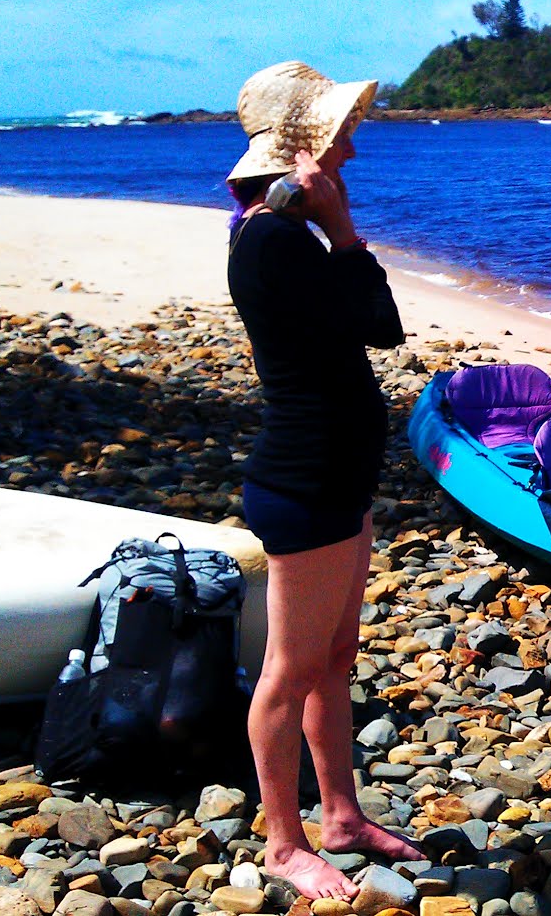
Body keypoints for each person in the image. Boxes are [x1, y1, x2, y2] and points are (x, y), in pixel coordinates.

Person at [224, 61, 423, 900]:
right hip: (304, 485)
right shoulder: (274, 241)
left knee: (335, 657)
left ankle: (341, 815)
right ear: (301, 149)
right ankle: (283, 842)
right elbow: (381, 324)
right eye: (339, 132)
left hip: (335, 481)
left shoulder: (280, 235)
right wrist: (343, 228)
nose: (352, 144)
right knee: (290, 669)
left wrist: (327, 222)